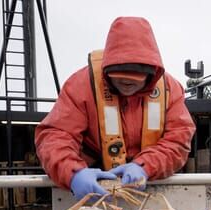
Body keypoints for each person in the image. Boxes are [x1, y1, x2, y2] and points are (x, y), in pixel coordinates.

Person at [35, 17, 195, 200]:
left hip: (152, 181)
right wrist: (73, 173)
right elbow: (55, 136)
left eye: (135, 77)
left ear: (152, 73)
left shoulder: (170, 90)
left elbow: (178, 139)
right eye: (119, 75)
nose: (127, 82)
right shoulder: (80, 86)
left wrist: (145, 166)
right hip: (93, 187)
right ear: (106, 69)